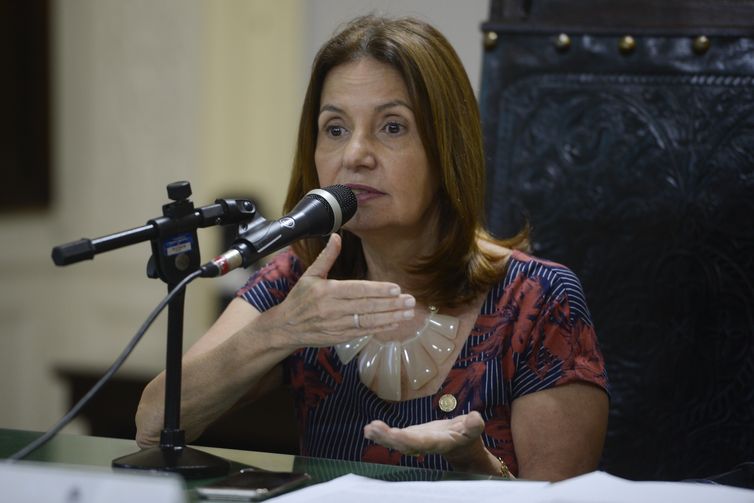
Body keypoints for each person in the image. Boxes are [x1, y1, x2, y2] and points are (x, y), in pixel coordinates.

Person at [135, 15, 609, 481]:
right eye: (335, 129)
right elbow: (153, 426)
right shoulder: (299, 279)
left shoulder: (537, 298)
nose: (355, 154)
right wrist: (277, 331)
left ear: (448, 148)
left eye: (392, 127)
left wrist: (474, 465)